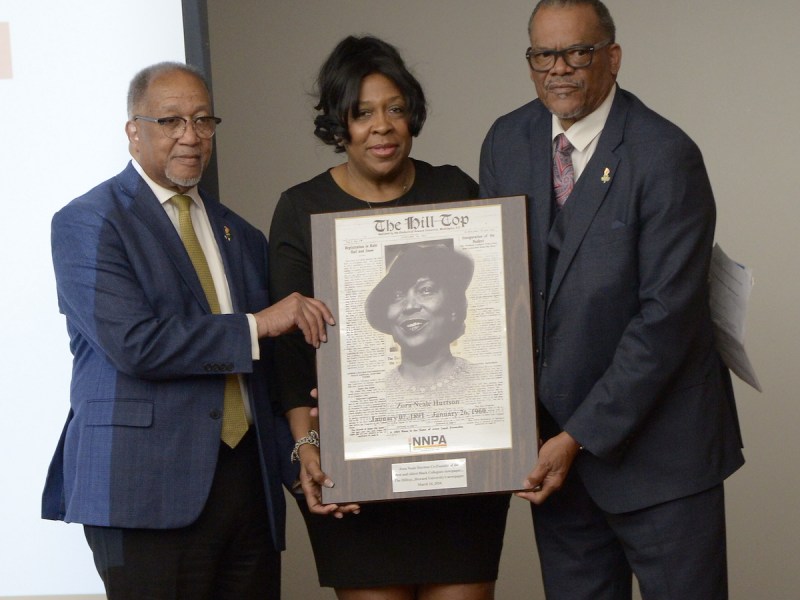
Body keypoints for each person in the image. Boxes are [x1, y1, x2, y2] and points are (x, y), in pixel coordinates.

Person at [479, 1, 744, 599]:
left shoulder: (665, 155)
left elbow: (665, 323)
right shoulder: (506, 141)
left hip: (662, 462)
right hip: (557, 467)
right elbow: (492, 293)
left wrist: (574, 438)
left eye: (578, 52)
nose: (559, 69)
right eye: (543, 54)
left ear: (613, 57)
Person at [42, 61, 334, 600]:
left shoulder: (240, 235)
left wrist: (299, 461)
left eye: (203, 121)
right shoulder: (88, 222)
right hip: (143, 492)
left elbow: (263, 374)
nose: (191, 137)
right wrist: (257, 323)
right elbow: (136, 345)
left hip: (247, 492)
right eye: (171, 121)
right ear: (134, 130)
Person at [269, 36, 510, 600]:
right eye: (362, 113)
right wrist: (308, 450)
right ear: (338, 125)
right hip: (359, 479)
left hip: (460, 476)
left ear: (413, 117)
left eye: (395, 109)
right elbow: (289, 352)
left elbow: (498, 322)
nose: (382, 127)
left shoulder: (457, 192)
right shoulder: (301, 209)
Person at [365, 243, 475, 388]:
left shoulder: (485, 381)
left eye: (426, 290)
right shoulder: (375, 391)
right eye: (397, 295)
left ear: (453, 308)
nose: (410, 306)